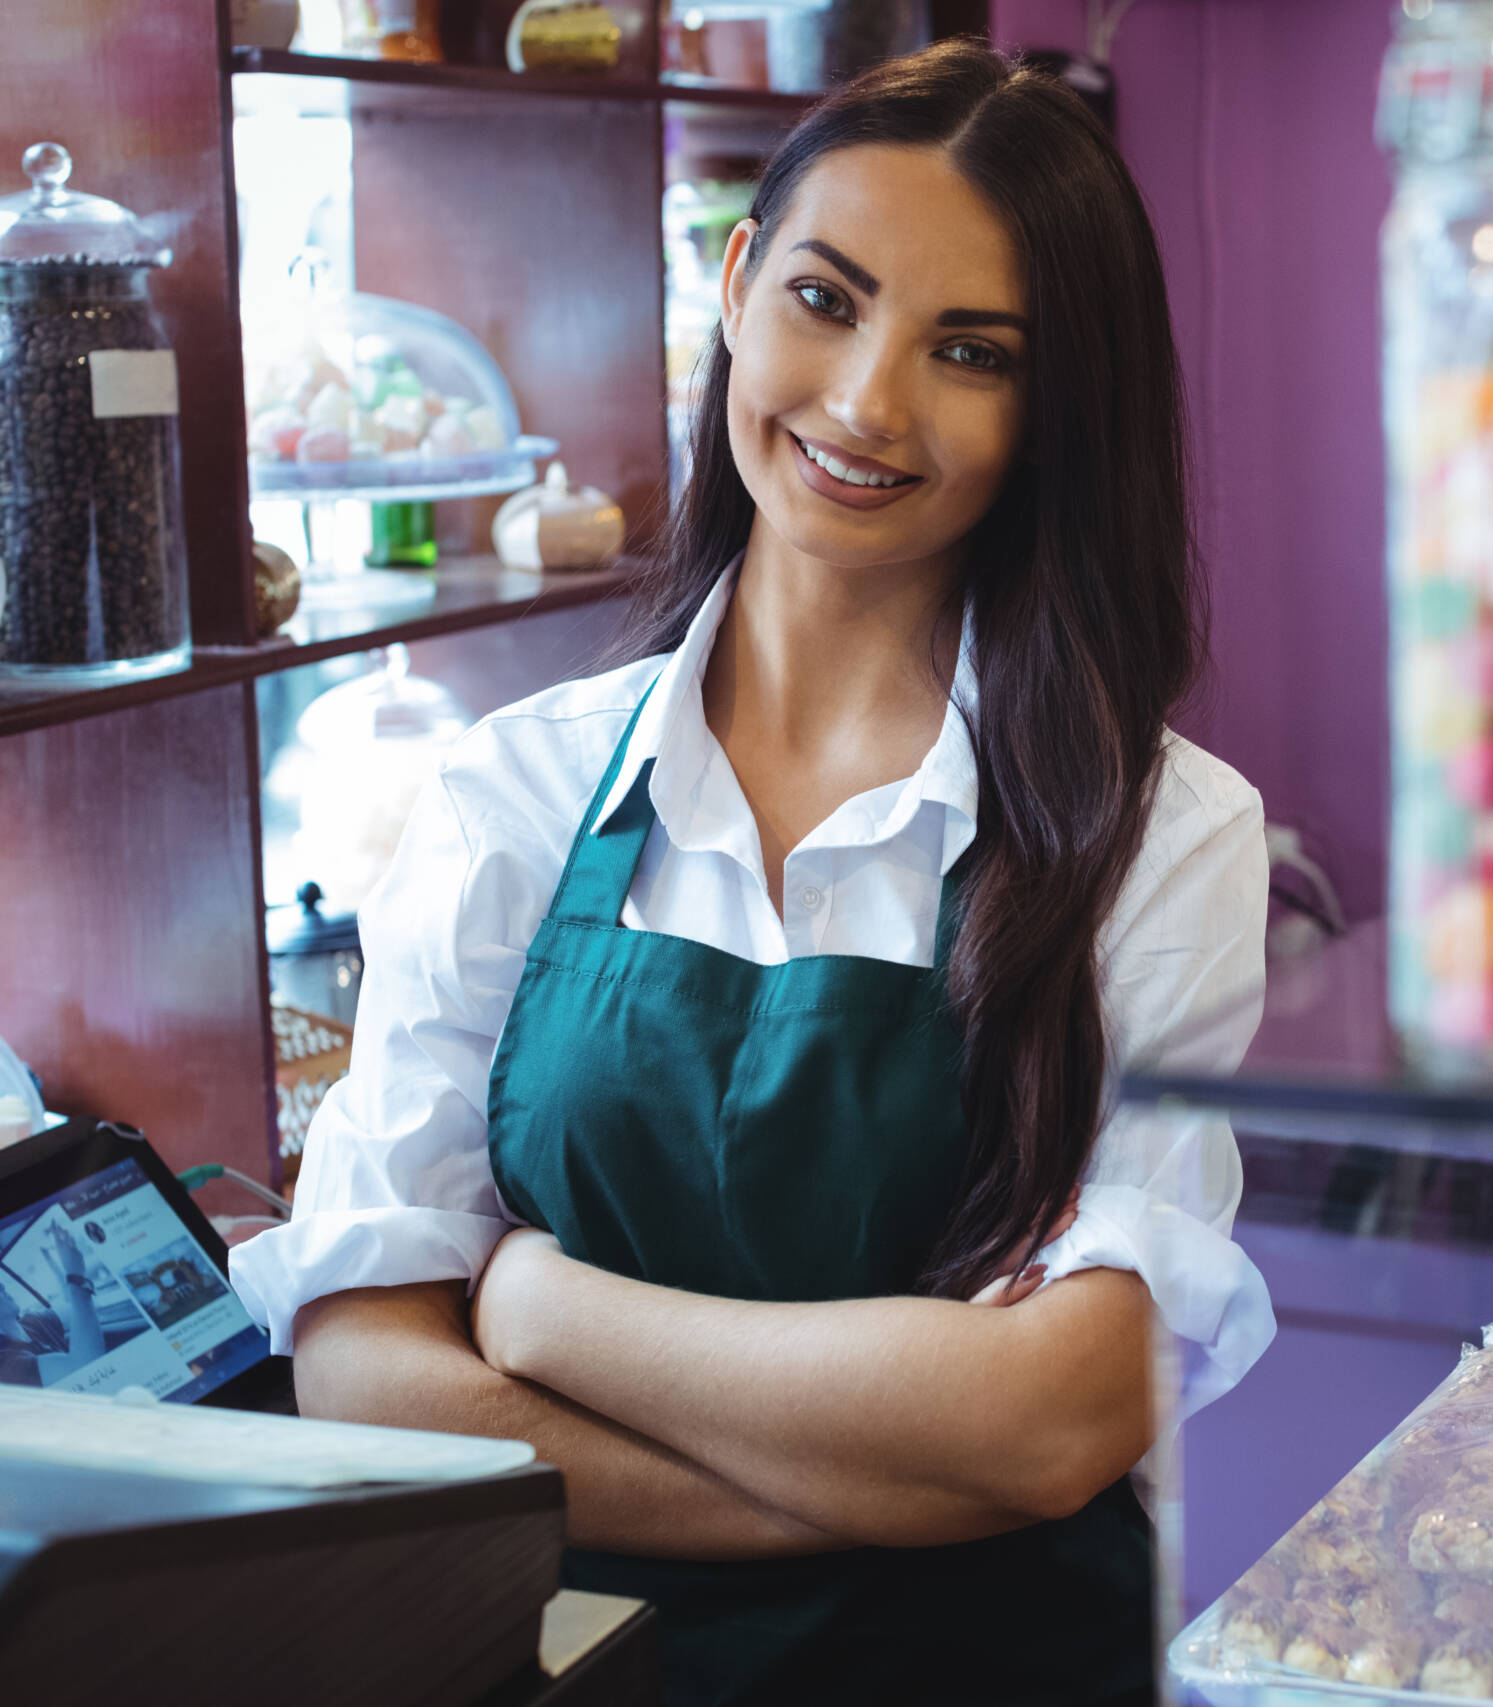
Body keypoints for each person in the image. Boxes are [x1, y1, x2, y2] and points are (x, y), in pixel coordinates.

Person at [228, 40, 1273, 1707]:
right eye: (827, 298)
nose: (867, 401)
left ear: (1054, 403)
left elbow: (1060, 1413)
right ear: (734, 282)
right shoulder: (515, 789)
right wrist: (887, 1482)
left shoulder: (1161, 833)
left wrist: (538, 1301)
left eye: (972, 351)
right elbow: (366, 1375)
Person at [0, 1222, 106, 1387]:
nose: (1, 1285)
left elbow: (82, 1309)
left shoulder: (33, 1321)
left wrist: (55, 1263)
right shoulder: (5, 1364)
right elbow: (88, 1369)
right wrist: (75, 1274)